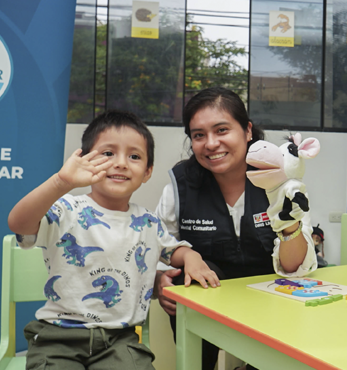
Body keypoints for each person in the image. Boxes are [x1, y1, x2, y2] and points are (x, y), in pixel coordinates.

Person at [6, 111, 219, 370]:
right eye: (108, 153)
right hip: (57, 338)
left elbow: (174, 250)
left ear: (148, 171)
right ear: (85, 161)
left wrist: (192, 258)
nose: (120, 163)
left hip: (121, 341)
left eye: (134, 156)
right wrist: (61, 182)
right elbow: (18, 223)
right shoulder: (67, 208)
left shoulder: (148, 222)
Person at [154, 87, 317, 370]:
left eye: (221, 130)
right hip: (209, 303)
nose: (211, 143)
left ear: (247, 130)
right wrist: (160, 279)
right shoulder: (180, 187)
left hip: (273, 297)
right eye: (198, 135)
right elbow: (159, 245)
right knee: (188, 286)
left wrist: (289, 224)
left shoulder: (280, 180)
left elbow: (294, 267)